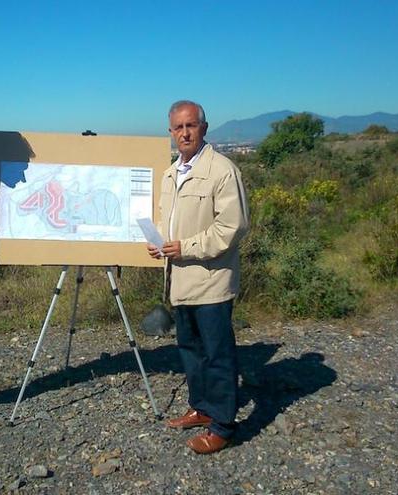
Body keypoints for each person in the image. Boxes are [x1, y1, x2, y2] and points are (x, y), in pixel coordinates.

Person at [148, 100, 249, 454]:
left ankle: (223, 425)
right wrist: (161, 245)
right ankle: (202, 407)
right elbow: (171, 223)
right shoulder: (171, 172)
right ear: (170, 132)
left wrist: (184, 247)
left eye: (191, 126)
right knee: (190, 350)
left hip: (211, 281)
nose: (185, 133)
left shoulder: (222, 170)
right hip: (181, 279)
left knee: (217, 354)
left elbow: (232, 228)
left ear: (204, 128)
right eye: (178, 127)